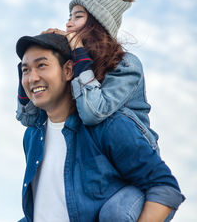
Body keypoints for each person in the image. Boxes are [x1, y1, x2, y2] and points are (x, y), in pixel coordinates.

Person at [16, 33, 184, 222]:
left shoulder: (110, 126)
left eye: (41, 65)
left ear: (68, 71)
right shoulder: (31, 136)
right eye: (25, 70)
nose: (32, 78)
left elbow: (164, 187)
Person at [16, 0, 159, 151]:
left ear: (96, 24)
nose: (68, 24)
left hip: (132, 156)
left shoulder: (126, 64)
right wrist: (32, 60)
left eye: (77, 17)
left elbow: (93, 112)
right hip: (89, 158)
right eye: (69, 18)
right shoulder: (73, 63)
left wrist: (78, 50)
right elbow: (29, 119)